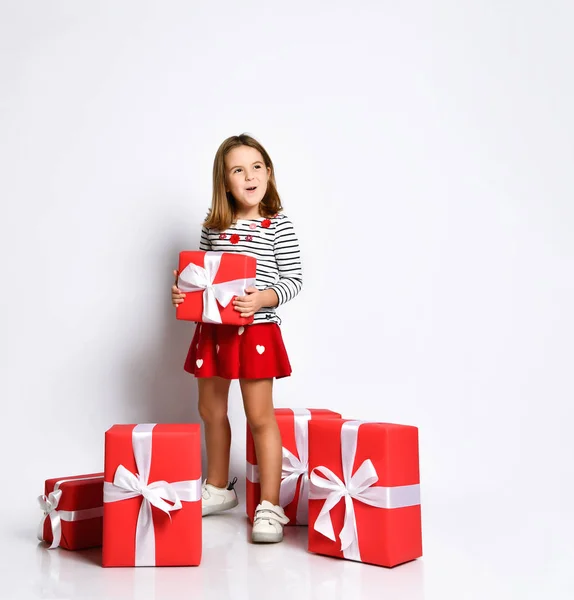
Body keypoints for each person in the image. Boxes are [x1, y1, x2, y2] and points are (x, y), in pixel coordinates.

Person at [171, 134, 303, 543]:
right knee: (210, 408)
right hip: (213, 331)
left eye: (257, 167)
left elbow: (294, 279)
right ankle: (218, 487)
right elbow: (200, 276)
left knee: (260, 416)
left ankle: (269, 504)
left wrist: (264, 297)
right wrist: (183, 291)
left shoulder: (277, 224)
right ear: (224, 182)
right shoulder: (213, 226)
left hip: (257, 331)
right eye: (238, 170)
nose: (249, 176)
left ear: (269, 173)